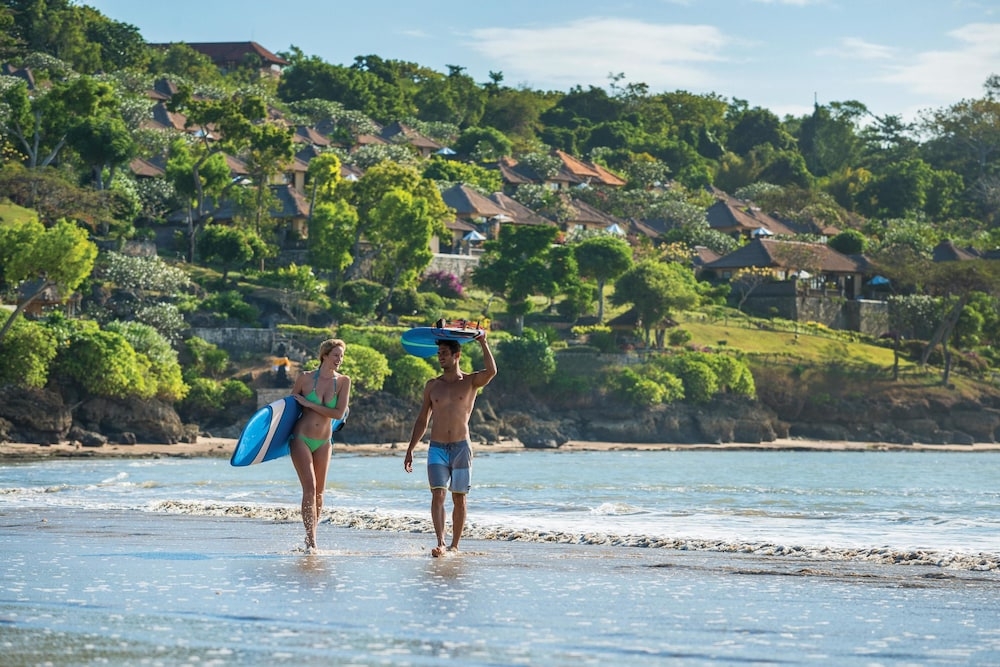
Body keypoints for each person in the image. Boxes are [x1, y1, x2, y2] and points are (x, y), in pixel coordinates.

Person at [404, 332, 497, 557]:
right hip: (436, 448)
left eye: (444, 353)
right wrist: (411, 448)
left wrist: (483, 342)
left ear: (457, 355)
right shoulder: (432, 385)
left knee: (459, 497)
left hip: (461, 447)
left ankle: (455, 545)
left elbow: (492, 371)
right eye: (439, 353)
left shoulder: (471, 382)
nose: (440, 357)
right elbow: (422, 419)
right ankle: (441, 543)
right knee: (438, 495)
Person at [289, 338, 351, 551]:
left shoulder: (343, 381)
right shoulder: (305, 378)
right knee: (310, 488)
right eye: (336, 355)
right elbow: (289, 409)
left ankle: (311, 537)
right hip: (301, 438)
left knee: (320, 494)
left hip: (324, 442)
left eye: (341, 356)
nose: (339, 359)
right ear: (324, 355)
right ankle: (311, 540)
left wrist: (310, 404)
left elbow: (338, 413)